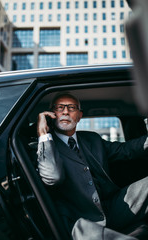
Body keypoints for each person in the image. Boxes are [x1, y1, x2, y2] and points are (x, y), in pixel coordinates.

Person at [37, 92, 148, 240]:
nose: (65, 111)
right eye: (59, 107)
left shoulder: (92, 139)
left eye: (71, 107)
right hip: (81, 221)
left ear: (79, 115)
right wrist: (43, 133)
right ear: (51, 114)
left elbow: (126, 150)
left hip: (112, 208)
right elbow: (53, 177)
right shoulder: (45, 147)